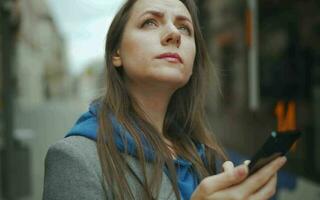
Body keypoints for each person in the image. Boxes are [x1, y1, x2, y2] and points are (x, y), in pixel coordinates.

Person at [42, 0, 287, 199]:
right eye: (150, 22)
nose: (173, 34)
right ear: (116, 53)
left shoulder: (207, 156)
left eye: (184, 28)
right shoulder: (75, 159)